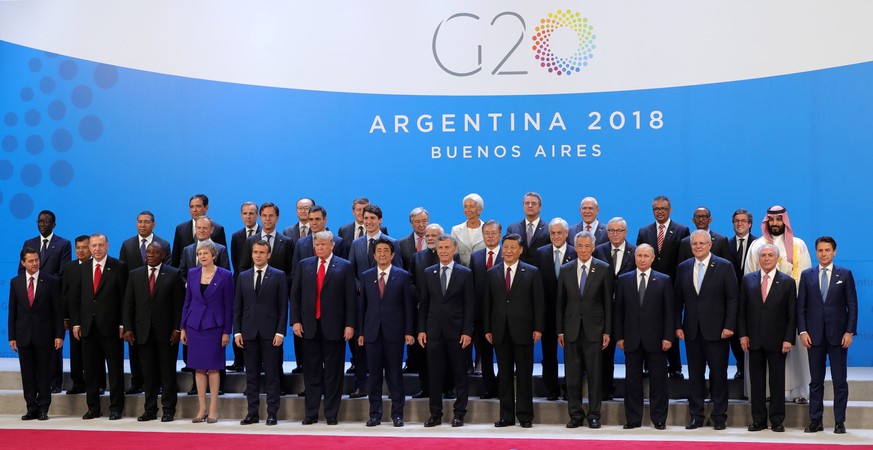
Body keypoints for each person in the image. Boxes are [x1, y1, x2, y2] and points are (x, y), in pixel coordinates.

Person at [746, 205, 812, 403]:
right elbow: (749, 278)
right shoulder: (757, 245)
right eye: (771, 220)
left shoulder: (799, 244)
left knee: (796, 352)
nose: (775, 224)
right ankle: (765, 393)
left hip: (793, 309)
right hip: (764, 312)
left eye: (779, 219)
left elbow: (806, 276)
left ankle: (799, 392)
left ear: (785, 221)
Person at [674, 230, 738, 430]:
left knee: (718, 375)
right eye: (695, 244)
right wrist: (677, 325)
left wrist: (729, 326)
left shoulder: (724, 266)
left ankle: (719, 416)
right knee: (695, 376)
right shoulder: (683, 267)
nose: (698, 247)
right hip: (692, 331)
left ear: (710, 244)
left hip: (718, 332)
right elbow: (677, 300)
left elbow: (733, 299)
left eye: (702, 243)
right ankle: (696, 416)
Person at [291, 231, 356, 425]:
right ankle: (311, 413)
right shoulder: (305, 265)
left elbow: (350, 299)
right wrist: (295, 320)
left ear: (332, 245)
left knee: (333, 372)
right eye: (317, 244)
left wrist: (350, 325)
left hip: (335, 328)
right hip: (310, 327)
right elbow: (295, 296)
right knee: (311, 371)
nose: (319, 247)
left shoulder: (344, 266)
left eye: (323, 244)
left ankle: (331, 413)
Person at [798, 236, 858, 434]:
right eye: (820, 250)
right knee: (815, 381)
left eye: (827, 250)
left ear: (834, 252)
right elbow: (801, 308)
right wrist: (803, 331)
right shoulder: (807, 275)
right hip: (814, 337)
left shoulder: (845, 274)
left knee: (840, 381)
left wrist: (849, 331)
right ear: (816, 253)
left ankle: (839, 421)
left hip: (838, 337)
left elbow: (852, 306)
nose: (823, 254)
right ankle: (816, 420)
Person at [484, 234, 544, 428]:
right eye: (506, 247)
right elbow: (487, 304)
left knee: (525, 376)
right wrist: (487, 328)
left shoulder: (532, 272)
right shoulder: (492, 273)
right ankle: (506, 416)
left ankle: (525, 416)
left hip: (524, 331)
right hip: (500, 331)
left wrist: (538, 328)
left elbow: (538, 303)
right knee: (504, 375)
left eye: (512, 247)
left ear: (520, 250)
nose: (508, 250)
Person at [122, 241, 185, 422]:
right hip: (143, 333)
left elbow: (178, 305)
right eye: (148, 252)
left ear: (163, 255)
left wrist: (176, 328)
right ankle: (149, 410)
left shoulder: (173, 274)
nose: (149, 254)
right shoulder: (135, 275)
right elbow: (128, 304)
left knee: (167, 374)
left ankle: (168, 410)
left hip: (167, 334)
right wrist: (128, 328)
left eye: (154, 252)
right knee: (148, 375)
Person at [613, 244, 673, 430]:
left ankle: (659, 418)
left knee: (659, 382)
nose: (642, 259)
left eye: (646, 256)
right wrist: (619, 337)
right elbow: (618, 312)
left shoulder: (664, 280)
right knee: (632, 381)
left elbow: (669, 312)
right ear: (634, 257)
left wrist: (668, 337)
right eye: (639, 255)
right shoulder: (624, 280)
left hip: (656, 339)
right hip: (631, 339)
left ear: (652, 258)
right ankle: (633, 419)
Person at [418, 235, 474, 427]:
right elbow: (423, 304)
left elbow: (469, 305)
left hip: (458, 333)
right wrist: (421, 330)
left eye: (447, 247)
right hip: (433, 332)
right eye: (440, 247)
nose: (442, 251)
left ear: (454, 250)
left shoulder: (465, 273)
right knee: (434, 375)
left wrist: (467, 331)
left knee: (460, 374)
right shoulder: (428, 272)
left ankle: (459, 413)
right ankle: (435, 413)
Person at [70, 233, 128, 420]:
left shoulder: (118, 267)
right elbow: (76, 298)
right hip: (88, 328)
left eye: (100, 245)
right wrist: (77, 323)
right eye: (93, 246)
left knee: (115, 371)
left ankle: (116, 408)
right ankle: (93, 407)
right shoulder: (83, 268)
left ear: (107, 246)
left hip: (111, 328)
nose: (96, 249)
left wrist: (122, 324)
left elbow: (124, 299)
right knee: (91, 371)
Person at [738, 244, 796, 433]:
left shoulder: (787, 281)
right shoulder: (748, 280)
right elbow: (742, 312)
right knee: (756, 382)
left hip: (778, 341)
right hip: (753, 339)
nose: (766, 258)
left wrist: (789, 339)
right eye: (763, 255)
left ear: (777, 258)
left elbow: (791, 315)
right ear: (758, 258)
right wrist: (743, 334)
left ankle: (777, 420)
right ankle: (758, 420)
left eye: (770, 255)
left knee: (777, 382)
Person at [556, 231, 611, 429]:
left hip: (594, 331)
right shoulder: (566, 269)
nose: (584, 250)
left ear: (593, 247)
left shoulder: (603, 269)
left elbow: (607, 303)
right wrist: (560, 331)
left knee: (595, 376)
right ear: (575, 246)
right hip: (571, 331)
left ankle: (594, 415)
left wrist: (607, 331)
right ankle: (576, 415)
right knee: (572, 376)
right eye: (580, 246)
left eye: (588, 246)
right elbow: (560, 303)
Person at [358, 238, 415, 427]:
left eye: (385, 251)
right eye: (378, 251)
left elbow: (408, 306)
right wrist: (361, 332)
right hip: (372, 333)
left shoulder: (403, 276)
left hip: (395, 333)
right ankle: (375, 414)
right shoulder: (366, 276)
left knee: (394, 375)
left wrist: (408, 331)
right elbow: (362, 307)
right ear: (374, 255)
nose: (382, 254)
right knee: (373, 376)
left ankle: (397, 415)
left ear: (392, 255)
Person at [347, 204, 402, 398]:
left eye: (372, 218)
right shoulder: (356, 244)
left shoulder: (392, 243)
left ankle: (389, 389)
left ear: (380, 220)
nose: (368, 221)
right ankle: (360, 384)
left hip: (386, 308)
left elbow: (400, 275)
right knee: (361, 347)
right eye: (366, 218)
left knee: (388, 354)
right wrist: (359, 285)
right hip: (363, 304)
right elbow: (351, 271)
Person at [118, 211, 172, 396]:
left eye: (146, 222)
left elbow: (168, 274)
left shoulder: (163, 244)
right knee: (135, 347)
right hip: (136, 303)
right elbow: (123, 276)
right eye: (139, 222)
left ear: (153, 224)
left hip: (158, 306)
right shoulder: (127, 245)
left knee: (157, 353)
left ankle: (158, 383)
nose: (142, 225)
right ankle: (137, 381)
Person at [234, 240, 288, 426]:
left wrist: (280, 332)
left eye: (262, 252)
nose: (258, 255)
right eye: (255, 252)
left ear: (269, 255)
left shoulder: (279, 276)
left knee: (272, 375)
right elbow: (238, 307)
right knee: (251, 376)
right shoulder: (243, 276)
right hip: (248, 333)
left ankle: (272, 413)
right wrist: (237, 332)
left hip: (271, 334)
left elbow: (283, 307)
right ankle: (252, 413)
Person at [636, 195, 689, 379]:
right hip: (648, 288)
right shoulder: (644, 231)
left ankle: (675, 367)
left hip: (671, 287)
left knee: (670, 325)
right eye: (656, 209)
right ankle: (648, 366)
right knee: (647, 324)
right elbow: (639, 259)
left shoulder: (682, 230)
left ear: (670, 210)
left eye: (663, 209)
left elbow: (684, 262)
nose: (660, 212)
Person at [180, 240, 234, 423]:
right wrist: (183, 328)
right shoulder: (192, 273)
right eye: (199, 254)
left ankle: (213, 410)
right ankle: (201, 409)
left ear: (213, 255)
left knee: (213, 368)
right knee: (199, 368)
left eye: (205, 253)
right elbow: (187, 303)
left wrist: (227, 331)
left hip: (215, 328)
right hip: (195, 327)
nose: (202, 257)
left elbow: (229, 306)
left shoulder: (225, 275)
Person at [8, 247, 64, 421]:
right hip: (23, 336)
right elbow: (12, 311)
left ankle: (43, 408)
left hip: (45, 336)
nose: (35, 263)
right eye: (30, 261)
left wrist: (59, 335)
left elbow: (57, 311)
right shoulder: (15, 282)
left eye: (36, 260)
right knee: (28, 375)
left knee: (44, 374)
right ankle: (31, 408)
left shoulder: (51, 281)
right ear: (23, 263)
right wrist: (12, 336)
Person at [19, 210, 71, 394]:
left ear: (54, 225)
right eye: (40, 221)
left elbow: (63, 273)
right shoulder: (29, 243)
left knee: (52, 344)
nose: (42, 224)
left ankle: (55, 382)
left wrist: (42, 281)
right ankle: (37, 383)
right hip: (32, 301)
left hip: (51, 299)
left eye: (47, 221)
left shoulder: (63, 244)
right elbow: (21, 272)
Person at [534, 218, 577, 401]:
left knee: (572, 354)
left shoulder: (576, 253)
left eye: (560, 233)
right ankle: (551, 388)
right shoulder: (540, 253)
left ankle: (569, 388)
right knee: (548, 353)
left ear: (567, 234)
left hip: (571, 312)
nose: (556, 236)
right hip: (548, 312)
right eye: (553, 233)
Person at [593, 217, 636, 399]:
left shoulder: (635, 251)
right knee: (605, 353)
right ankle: (605, 390)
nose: (615, 234)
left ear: (626, 232)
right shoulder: (599, 250)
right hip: (604, 310)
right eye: (611, 230)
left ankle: (632, 393)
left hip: (629, 310)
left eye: (619, 231)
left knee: (631, 353)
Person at [62, 235, 104, 395]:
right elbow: (65, 294)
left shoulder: (98, 267)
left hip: (95, 318)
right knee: (76, 351)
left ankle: (99, 383)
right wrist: (66, 317)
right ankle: (78, 383)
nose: (80, 251)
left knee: (97, 353)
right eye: (78, 248)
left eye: (84, 247)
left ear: (92, 249)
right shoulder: (69, 268)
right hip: (75, 318)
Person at [470, 220, 502, 399]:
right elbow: (472, 286)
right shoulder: (476, 256)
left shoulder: (508, 254)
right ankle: (489, 387)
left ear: (500, 235)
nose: (490, 236)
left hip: (503, 315)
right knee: (485, 355)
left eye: (493, 233)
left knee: (504, 355)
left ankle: (503, 386)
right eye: (486, 233)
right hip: (481, 315)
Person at [227, 201, 260, 372]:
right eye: (245, 213)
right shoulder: (236, 236)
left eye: (252, 213)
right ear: (241, 215)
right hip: (242, 284)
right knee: (239, 320)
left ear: (257, 215)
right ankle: (238, 360)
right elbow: (237, 263)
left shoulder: (265, 234)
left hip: (262, 284)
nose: (248, 216)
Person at [726, 208, 757, 380]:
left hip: (753, 298)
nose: (739, 224)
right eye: (736, 221)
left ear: (750, 224)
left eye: (743, 221)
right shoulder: (725, 244)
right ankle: (740, 367)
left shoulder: (759, 244)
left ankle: (751, 369)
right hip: (732, 298)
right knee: (735, 335)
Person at [172, 194, 227, 267]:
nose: (194, 210)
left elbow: (222, 258)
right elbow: (175, 258)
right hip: (187, 276)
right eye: (191, 207)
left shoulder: (217, 229)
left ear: (206, 207)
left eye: (198, 206)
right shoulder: (181, 229)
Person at [179, 216, 231, 283]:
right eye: (199, 228)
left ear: (212, 230)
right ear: (195, 229)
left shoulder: (221, 250)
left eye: (205, 228)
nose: (201, 231)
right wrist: (188, 285)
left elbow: (225, 274)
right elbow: (182, 272)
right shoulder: (187, 250)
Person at [506, 192, 549, 265]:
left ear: (540, 207)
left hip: (541, 273)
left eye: (534, 203)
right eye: (527, 203)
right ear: (523, 206)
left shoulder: (548, 229)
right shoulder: (512, 228)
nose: (530, 206)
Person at [451, 194, 485, 266]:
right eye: (465, 207)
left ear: (479, 210)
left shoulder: (487, 230)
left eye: (471, 207)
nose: (468, 210)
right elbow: (453, 254)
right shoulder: (456, 230)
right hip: (461, 273)